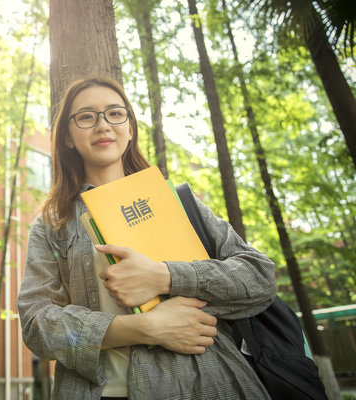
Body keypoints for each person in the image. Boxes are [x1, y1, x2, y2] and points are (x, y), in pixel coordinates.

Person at [17, 77, 277, 400]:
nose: (102, 125)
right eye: (86, 117)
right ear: (68, 137)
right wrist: (145, 328)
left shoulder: (178, 202)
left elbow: (260, 277)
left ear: (130, 128)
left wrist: (165, 276)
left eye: (115, 113)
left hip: (209, 386)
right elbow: (36, 323)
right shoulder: (52, 225)